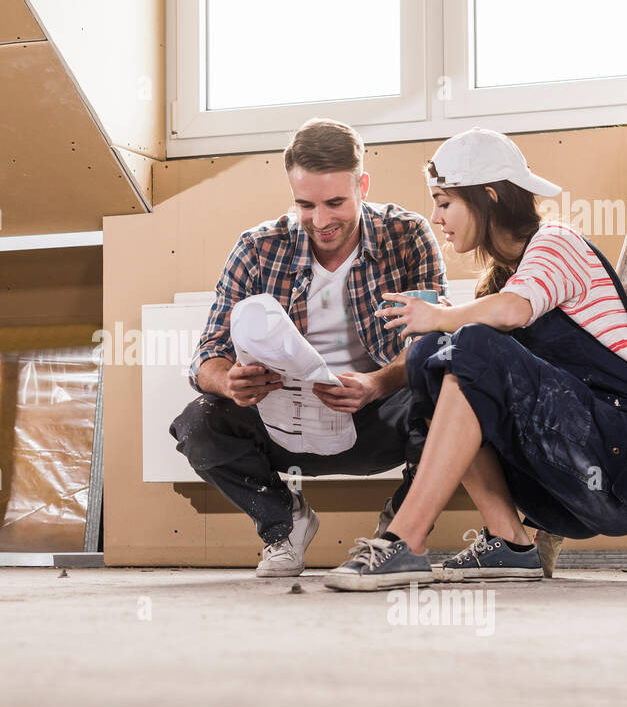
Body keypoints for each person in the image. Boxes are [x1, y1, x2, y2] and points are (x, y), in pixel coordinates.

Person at [323, 128, 627, 592]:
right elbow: (480, 329)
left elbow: (513, 312)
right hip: (563, 491)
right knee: (435, 357)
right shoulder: (499, 285)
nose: (435, 217)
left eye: (444, 202)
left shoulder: (556, 242)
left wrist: (439, 316)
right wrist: (379, 381)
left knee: (466, 343)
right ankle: (510, 541)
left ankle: (404, 542)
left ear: (488, 197)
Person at [170, 117, 448, 577]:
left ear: (363, 185)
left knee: (452, 392)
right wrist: (229, 381)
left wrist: (377, 383)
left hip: (378, 417)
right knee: (197, 422)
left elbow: (431, 340)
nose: (321, 221)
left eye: (336, 203)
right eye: (305, 205)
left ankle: (400, 534)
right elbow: (207, 354)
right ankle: (285, 525)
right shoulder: (258, 247)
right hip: (283, 424)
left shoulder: (408, 235)